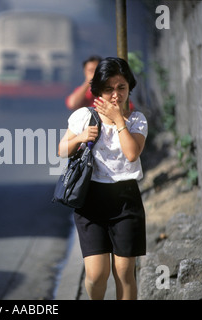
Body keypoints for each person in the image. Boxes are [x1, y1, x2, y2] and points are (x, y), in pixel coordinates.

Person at [58, 57, 148, 300]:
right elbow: (62, 149)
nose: (115, 95)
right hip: (91, 201)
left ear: (129, 87)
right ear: (97, 91)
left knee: (124, 272)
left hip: (125, 200)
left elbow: (131, 154)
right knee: (97, 274)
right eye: (108, 89)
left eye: (121, 88)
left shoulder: (137, 120)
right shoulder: (82, 117)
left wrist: (119, 120)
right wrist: (80, 138)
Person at [66, 55, 134, 112]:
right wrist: (88, 82)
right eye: (90, 71)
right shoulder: (83, 91)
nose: (93, 74)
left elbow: (128, 109)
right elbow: (72, 104)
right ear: (85, 72)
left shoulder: (114, 91)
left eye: (95, 70)